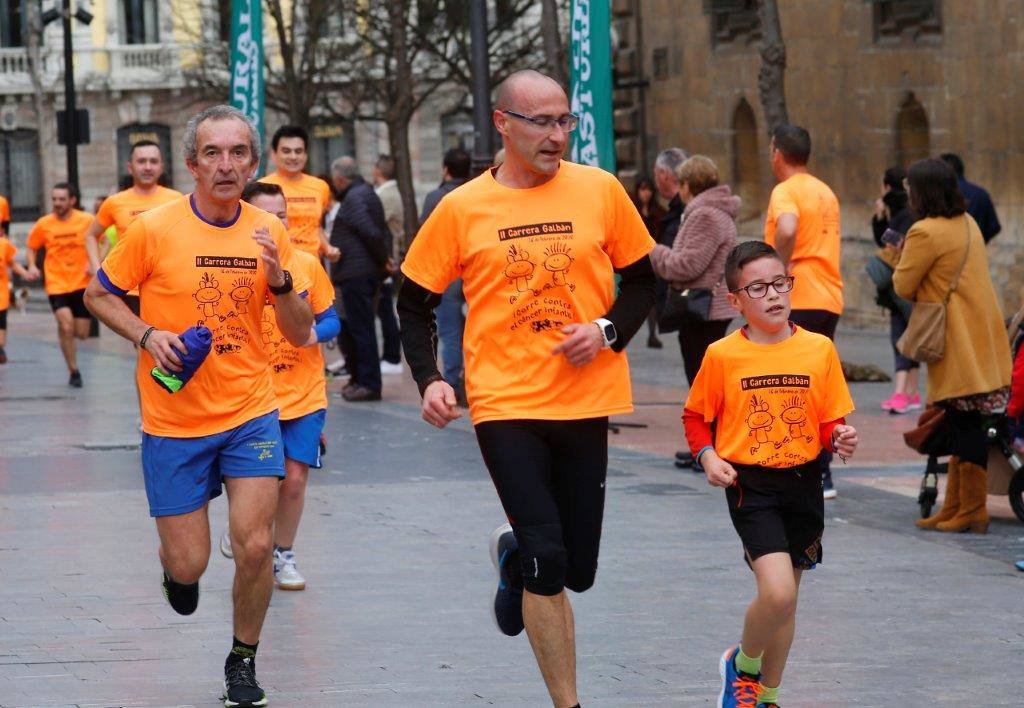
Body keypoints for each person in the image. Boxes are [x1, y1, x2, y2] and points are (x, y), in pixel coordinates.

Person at [397, 69, 655, 708]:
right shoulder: (460, 208)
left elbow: (646, 282)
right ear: (502, 124)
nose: (557, 135)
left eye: (564, 120)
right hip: (504, 403)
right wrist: (430, 379)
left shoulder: (599, 190)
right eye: (541, 122)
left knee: (579, 570)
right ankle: (567, 701)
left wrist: (606, 330)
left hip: (586, 398)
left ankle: (513, 556)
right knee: (550, 563)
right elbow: (412, 304)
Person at [83, 104, 313, 707]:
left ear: (253, 163)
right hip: (174, 419)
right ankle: (176, 574)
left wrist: (282, 282)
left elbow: (297, 331)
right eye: (212, 153)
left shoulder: (271, 232)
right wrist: (145, 334)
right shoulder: (154, 229)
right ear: (191, 165)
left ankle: (242, 658)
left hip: (250, 410)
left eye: (238, 153)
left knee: (256, 544)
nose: (226, 164)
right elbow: (97, 295)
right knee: (190, 566)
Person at [684, 240, 857, 708]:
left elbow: (827, 422)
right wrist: (707, 457)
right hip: (751, 485)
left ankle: (768, 696)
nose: (774, 295)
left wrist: (838, 437)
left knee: (788, 600)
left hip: (804, 483)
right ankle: (742, 666)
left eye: (780, 283)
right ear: (736, 300)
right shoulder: (722, 356)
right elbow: (695, 417)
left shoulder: (818, 349)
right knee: (776, 592)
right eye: (758, 287)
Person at [219, 182, 341, 592]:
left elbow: (331, 319)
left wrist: (312, 335)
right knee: (257, 480)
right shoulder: (230, 262)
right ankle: (245, 529)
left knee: (293, 479)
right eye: (267, 218)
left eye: (282, 216)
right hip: (251, 393)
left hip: (304, 393)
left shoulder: (306, 264)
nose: (277, 225)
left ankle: (282, 552)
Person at [895, 158, 1012, 535]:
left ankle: (971, 511)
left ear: (922, 191)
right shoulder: (969, 223)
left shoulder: (924, 232)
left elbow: (902, 285)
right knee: (968, 421)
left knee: (965, 424)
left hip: (957, 340)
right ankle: (956, 507)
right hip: (982, 336)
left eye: (910, 187)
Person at [764, 123, 843, 499]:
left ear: (776, 152)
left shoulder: (785, 190)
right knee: (818, 386)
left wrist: (778, 269)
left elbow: (788, 225)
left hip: (802, 296)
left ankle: (808, 467)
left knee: (791, 386)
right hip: (828, 297)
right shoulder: (824, 191)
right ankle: (821, 469)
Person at [650, 155, 739, 468]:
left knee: (703, 383)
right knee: (705, 381)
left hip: (704, 309)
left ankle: (711, 449)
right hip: (707, 308)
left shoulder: (705, 215)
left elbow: (688, 264)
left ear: (687, 185)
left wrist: (653, 250)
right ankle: (707, 446)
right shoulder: (715, 211)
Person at [85, 140, 182, 317]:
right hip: (131, 289)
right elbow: (91, 235)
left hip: (169, 286)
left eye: (153, 161)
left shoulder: (177, 199)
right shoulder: (114, 202)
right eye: (141, 161)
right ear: (130, 167)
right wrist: (95, 267)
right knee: (143, 342)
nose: (147, 167)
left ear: (161, 167)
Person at [329, 156, 390, 402]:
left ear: (340, 179)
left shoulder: (355, 197)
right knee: (357, 329)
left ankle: (368, 383)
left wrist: (383, 260)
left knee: (361, 330)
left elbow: (371, 232)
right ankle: (361, 380)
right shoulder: (364, 193)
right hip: (359, 271)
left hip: (357, 272)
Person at [25, 183, 95, 387]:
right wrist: (31, 265)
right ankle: (74, 371)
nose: (57, 203)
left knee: (81, 333)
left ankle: (65, 334)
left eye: (61, 199)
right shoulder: (44, 224)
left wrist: (95, 261)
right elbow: (32, 247)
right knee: (66, 326)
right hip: (56, 282)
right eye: (54, 199)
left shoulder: (87, 220)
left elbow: (102, 240)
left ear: (72, 200)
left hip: (81, 282)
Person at [418, 147, 472, 404]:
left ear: (445, 169)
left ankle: (453, 384)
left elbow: (425, 236)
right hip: (475, 271)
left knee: (449, 332)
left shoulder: (434, 197)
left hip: (449, 275)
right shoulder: (476, 194)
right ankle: (472, 380)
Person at [868, 166, 921, 415]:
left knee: (899, 335)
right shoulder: (917, 207)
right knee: (911, 334)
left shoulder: (900, 208)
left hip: (900, 281)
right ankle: (910, 392)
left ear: (888, 186)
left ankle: (901, 394)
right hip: (914, 283)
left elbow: (889, 241)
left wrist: (879, 218)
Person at [259, 125, 341, 262]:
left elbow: (316, 226)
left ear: (305, 155)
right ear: (274, 154)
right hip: (277, 264)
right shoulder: (262, 187)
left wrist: (328, 248)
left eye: (298, 151)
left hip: (312, 264)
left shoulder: (320, 187)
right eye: (286, 151)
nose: (293, 156)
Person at [371, 154, 404, 375]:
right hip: (386, 258)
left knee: (385, 309)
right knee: (384, 309)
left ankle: (392, 358)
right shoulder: (388, 193)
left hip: (386, 260)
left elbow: (377, 225)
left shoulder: (386, 195)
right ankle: (390, 356)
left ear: (378, 171)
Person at [632, 176, 667, 348]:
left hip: (655, 258)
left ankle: (653, 333)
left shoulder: (658, 211)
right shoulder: (632, 209)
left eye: (648, 190)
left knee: (656, 297)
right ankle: (650, 333)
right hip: (637, 258)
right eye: (642, 189)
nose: (645, 193)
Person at [939, 153, 1001, 243]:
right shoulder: (981, 193)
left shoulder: (940, 194)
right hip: (976, 250)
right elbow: (994, 227)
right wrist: (980, 240)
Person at [0, 232, 31, 364]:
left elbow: (12, 264)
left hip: (1, 295)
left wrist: (26, 274)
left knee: (1, 338)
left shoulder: (3, 244)